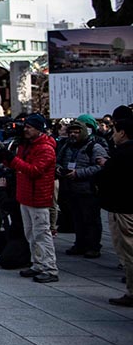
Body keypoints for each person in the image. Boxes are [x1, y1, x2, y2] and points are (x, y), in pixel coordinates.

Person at [0, 113, 59, 283]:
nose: (26, 130)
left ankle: (50, 268)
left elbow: (34, 170)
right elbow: (18, 166)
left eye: (29, 127)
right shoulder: (25, 145)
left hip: (38, 197)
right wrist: (5, 159)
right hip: (25, 196)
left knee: (42, 234)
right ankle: (37, 264)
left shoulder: (46, 148)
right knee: (30, 234)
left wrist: (12, 159)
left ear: (39, 129)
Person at [96, 117, 133, 306]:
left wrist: (106, 166)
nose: (113, 135)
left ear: (123, 132)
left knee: (128, 251)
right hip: (122, 207)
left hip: (124, 208)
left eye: (115, 131)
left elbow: (111, 178)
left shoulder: (123, 154)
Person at [57, 119, 107, 258]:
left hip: (88, 190)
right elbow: (58, 161)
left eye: (76, 132)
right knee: (77, 219)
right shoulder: (66, 146)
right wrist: (59, 169)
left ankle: (93, 246)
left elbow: (101, 166)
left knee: (91, 220)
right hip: (71, 189)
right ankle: (80, 244)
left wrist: (79, 173)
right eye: (71, 132)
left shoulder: (94, 147)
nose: (73, 135)